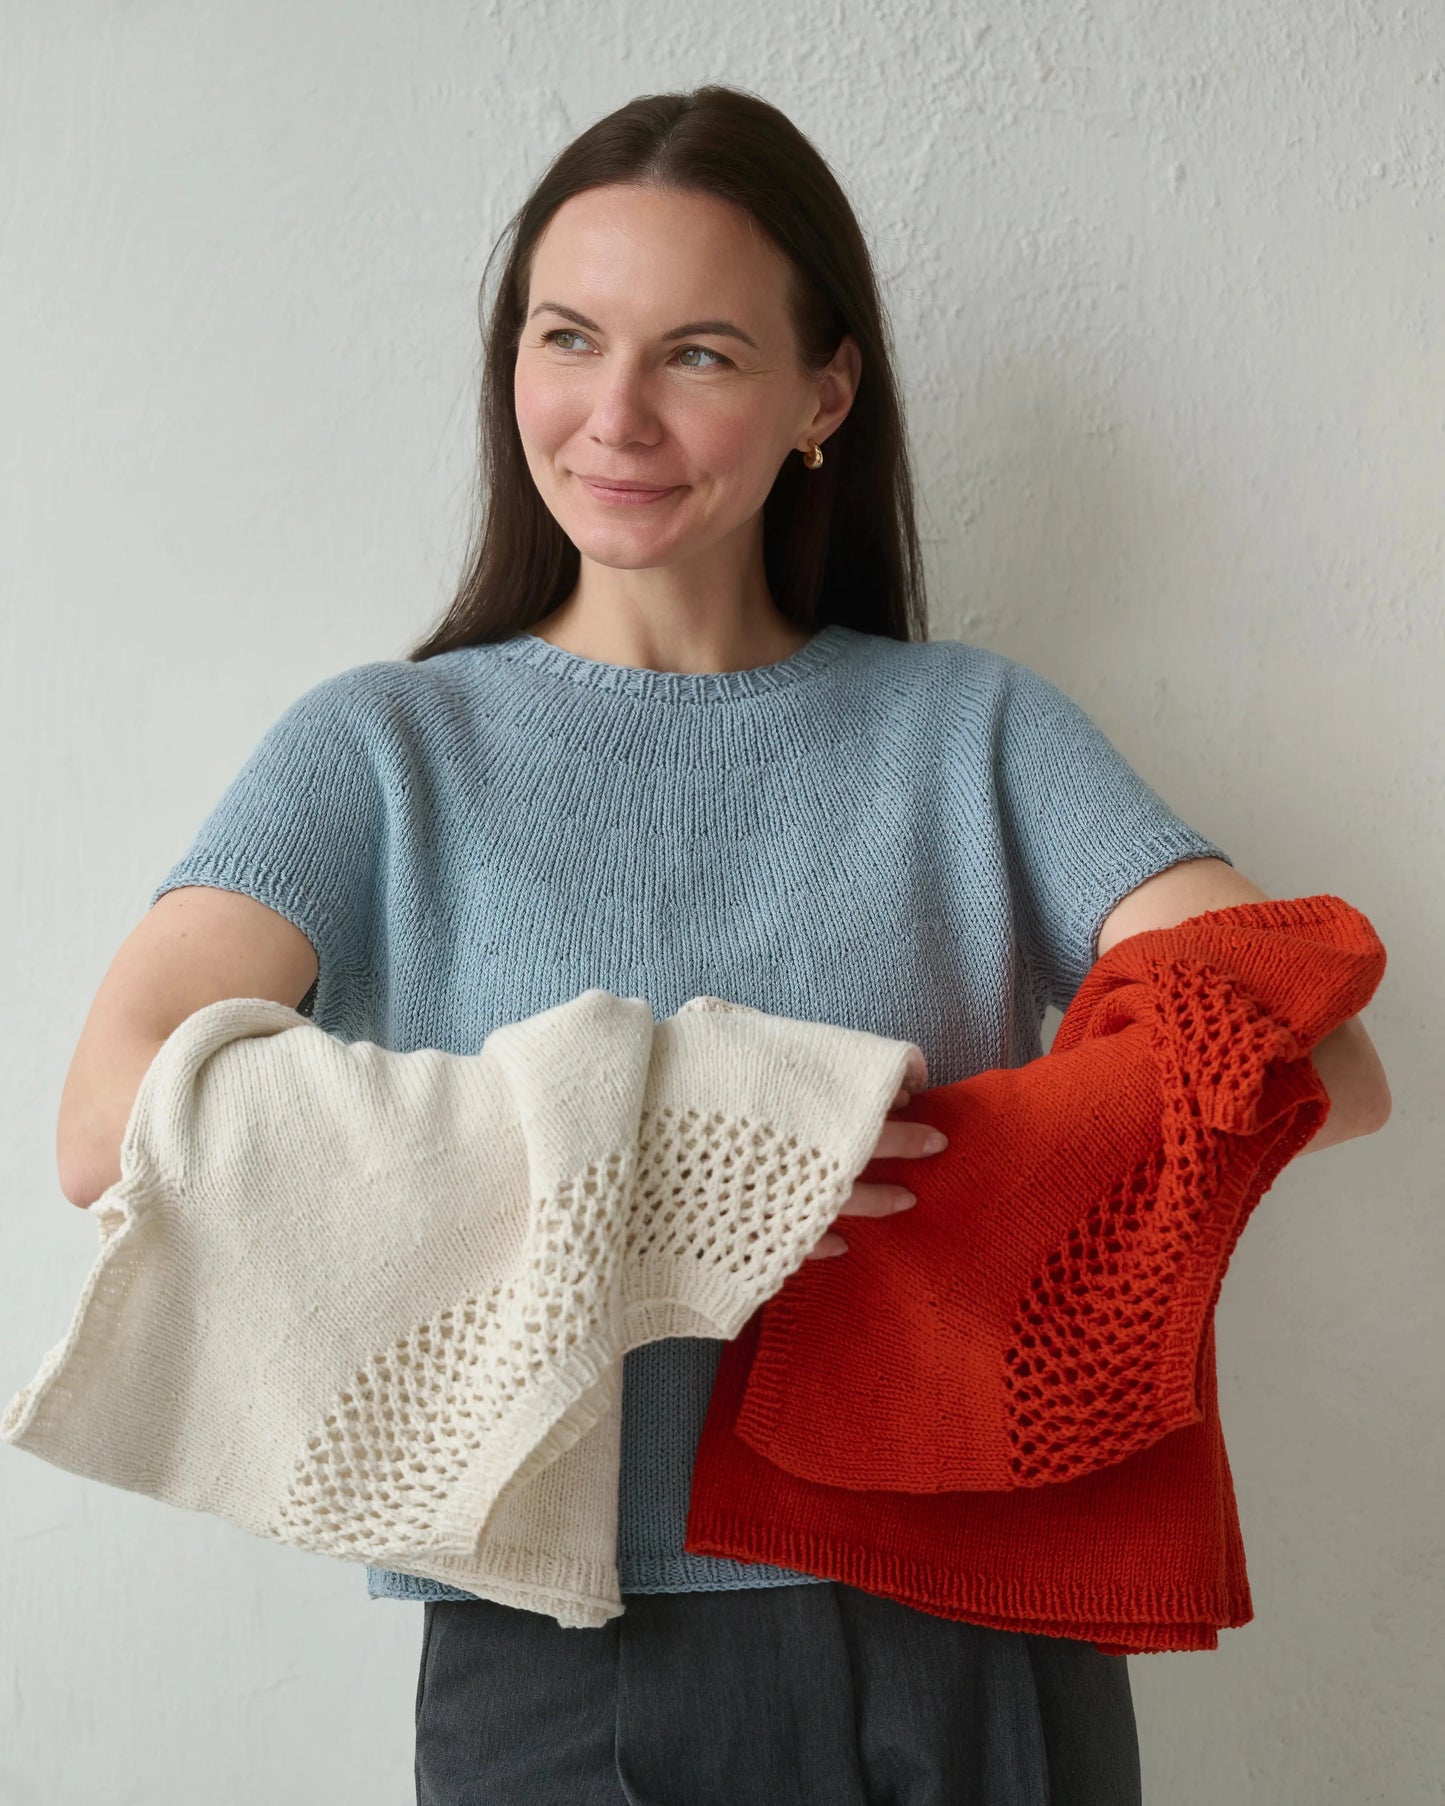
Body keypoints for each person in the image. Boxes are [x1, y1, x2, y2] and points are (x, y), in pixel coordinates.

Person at [56, 84, 1391, 1806]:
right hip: (563, 1641)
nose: (613, 413)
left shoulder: (967, 731)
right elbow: (111, 1120)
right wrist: (707, 1134)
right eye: (567, 337)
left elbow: (1311, 1060)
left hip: (969, 1612)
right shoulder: (384, 750)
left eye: (696, 352)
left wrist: (952, 1165)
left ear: (822, 392)